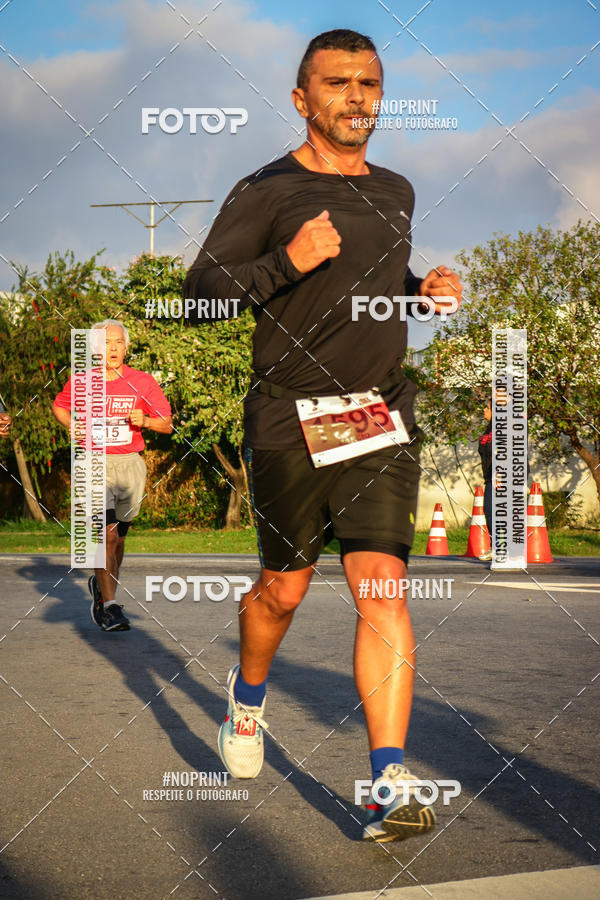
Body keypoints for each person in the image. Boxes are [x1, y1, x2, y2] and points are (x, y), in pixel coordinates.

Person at [183, 29, 462, 843]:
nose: (355, 97)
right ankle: (248, 700)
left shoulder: (397, 190)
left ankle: (387, 780)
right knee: (284, 591)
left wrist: (419, 292)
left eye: (368, 83)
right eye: (337, 83)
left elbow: (369, 287)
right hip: (288, 417)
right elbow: (200, 296)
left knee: (383, 586)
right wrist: (287, 261)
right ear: (302, 99)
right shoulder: (266, 189)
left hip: (378, 414)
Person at [53, 320, 173, 631]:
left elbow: (167, 423)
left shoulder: (142, 381)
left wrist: (145, 421)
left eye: (119, 342)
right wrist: (71, 424)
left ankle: (102, 588)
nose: (113, 348)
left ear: (126, 347)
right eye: (106, 343)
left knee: (118, 540)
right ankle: (110, 607)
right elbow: (59, 406)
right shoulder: (82, 381)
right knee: (105, 535)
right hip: (93, 463)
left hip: (130, 465)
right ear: (95, 349)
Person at [478, 399, 493, 562]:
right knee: (488, 510)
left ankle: (505, 547)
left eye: (487, 407)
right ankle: (496, 546)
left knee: (497, 511)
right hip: (489, 477)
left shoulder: (504, 428)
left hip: (503, 477)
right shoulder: (489, 429)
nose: (484, 410)